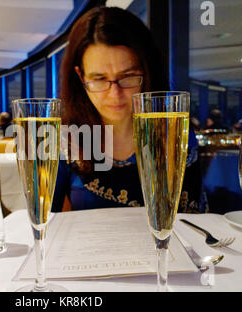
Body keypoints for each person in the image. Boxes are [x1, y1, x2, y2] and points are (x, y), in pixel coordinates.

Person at [51, 7, 203, 213]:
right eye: (99, 79)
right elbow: (48, 221)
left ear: (146, 71)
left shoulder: (174, 132)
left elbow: (193, 219)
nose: (115, 94)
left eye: (128, 76)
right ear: (80, 76)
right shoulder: (64, 140)